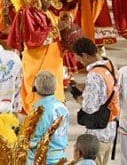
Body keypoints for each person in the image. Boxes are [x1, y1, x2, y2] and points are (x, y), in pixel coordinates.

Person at [72, 37, 119, 165]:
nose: (81, 62)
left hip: (98, 132)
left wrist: (78, 97)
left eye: (80, 59)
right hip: (111, 127)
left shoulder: (94, 75)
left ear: (85, 55)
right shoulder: (110, 64)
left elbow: (89, 108)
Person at [28, 71, 70, 164]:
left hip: (43, 158)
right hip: (61, 155)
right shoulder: (63, 107)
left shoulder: (38, 110)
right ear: (55, 87)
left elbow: (34, 139)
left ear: (36, 87)